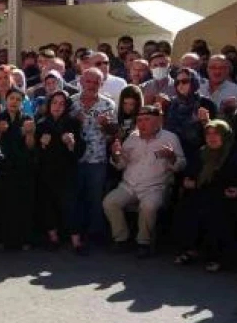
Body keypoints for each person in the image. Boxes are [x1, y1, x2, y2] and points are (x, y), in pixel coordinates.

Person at [103, 105, 186, 258]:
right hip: (129, 185)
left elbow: (181, 165)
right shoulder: (132, 137)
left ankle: (144, 242)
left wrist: (172, 156)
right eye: (139, 120)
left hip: (155, 187)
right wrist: (115, 154)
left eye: (147, 119)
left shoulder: (170, 138)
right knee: (109, 202)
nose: (142, 124)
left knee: (149, 205)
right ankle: (121, 239)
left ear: (158, 121)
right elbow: (121, 164)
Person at [172, 120, 237, 272]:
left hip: (227, 195)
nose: (212, 137)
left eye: (216, 133)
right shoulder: (202, 152)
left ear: (225, 135)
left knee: (217, 214)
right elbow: (191, 173)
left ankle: (216, 257)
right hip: (203, 192)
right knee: (187, 208)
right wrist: (187, 181)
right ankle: (190, 250)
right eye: (208, 134)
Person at [70, 68, 117, 246]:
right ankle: (76, 233)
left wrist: (106, 125)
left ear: (101, 84)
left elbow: (114, 132)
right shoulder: (71, 102)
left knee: (95, 198)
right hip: (76, 158)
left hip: (97, 159)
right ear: (81, 82)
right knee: (77, 197)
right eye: (88, 81)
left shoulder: (108, 104)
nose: (92, 85)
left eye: (96, 82)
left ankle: (94, 234)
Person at [36, 90, 86, 254]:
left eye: (61, 103)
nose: (57, 106)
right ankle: (53, 238)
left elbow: (80, 151)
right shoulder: (41, 124)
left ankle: (76, 242)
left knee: (71, 206)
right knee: (48, 206)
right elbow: (35, 153)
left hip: (68, 172)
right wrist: (42, 145)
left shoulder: (73, 123)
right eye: (54, 103)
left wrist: (71, 144)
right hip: (47, 173)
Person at [0, 90, 37, 250]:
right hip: (3, 169)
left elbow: (31, 146)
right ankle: (1, 239)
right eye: (11, 98)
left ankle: (23, 240)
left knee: (22, 205)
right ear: (6, 100)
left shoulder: (27, 119)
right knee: (3, 205)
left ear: (22, 103)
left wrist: (29, 133)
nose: (14, 102)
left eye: (17, 99)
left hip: (22, 168)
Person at [164, 67, 218, 167]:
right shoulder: (170, 104)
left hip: (196, 156)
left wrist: (205, 121)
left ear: (194, 83)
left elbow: (216, 133)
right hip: (172, 155)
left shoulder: (206, 103)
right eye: (177, 82)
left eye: (185, 81)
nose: (180, 85)